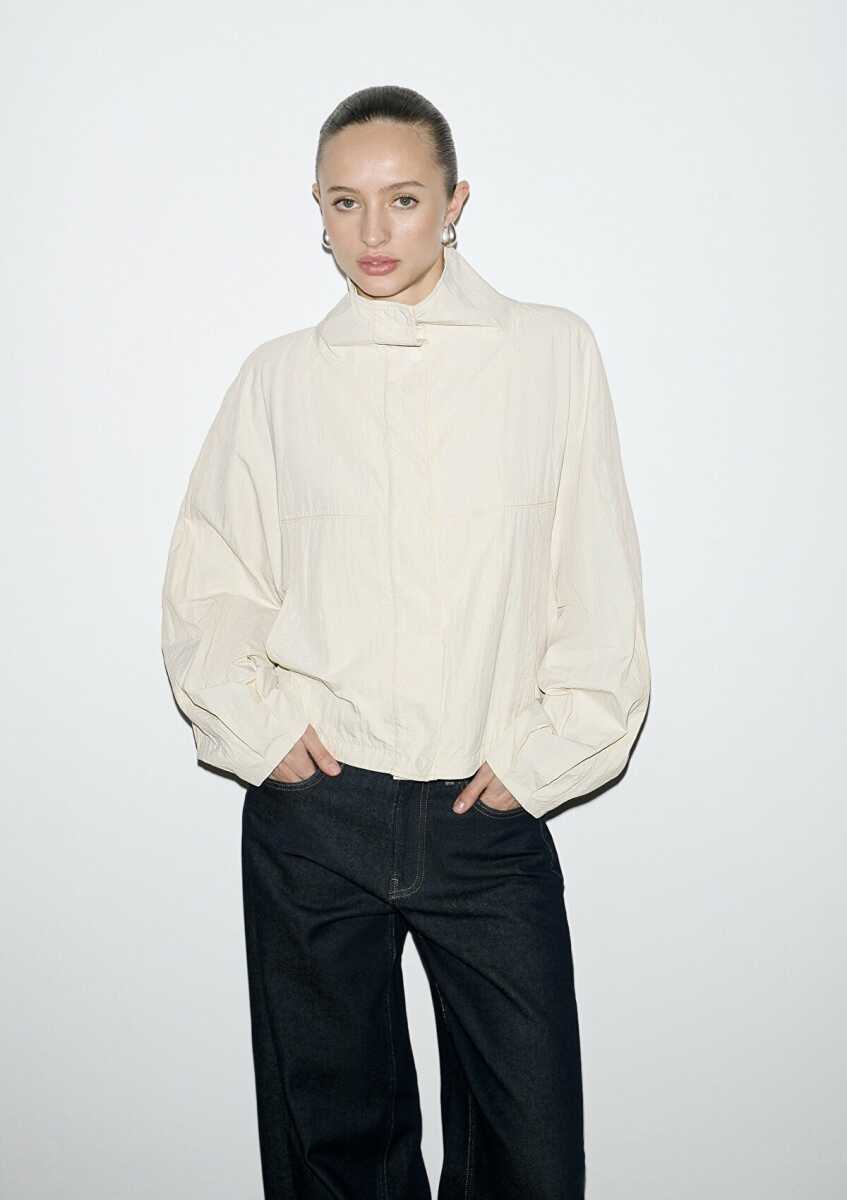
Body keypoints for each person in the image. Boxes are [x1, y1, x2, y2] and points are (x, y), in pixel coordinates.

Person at [161, 84, 651, 1200]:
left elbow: (597, 575)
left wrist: (546, 755)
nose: (372, 230)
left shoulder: (549, 353)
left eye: (403, 199)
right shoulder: (280, 378)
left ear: (454, 202)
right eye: (346, 202)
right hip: (316, 816)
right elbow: (211, 577)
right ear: (318, 211)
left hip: (486, 814)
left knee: (531, 1152)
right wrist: (259, 729)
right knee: (329, 1151)